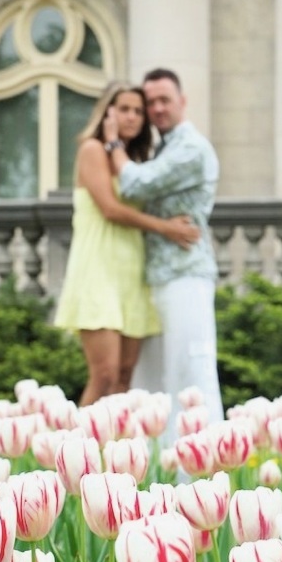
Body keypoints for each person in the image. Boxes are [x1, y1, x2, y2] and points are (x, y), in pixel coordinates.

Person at [54, 81, 200, 407]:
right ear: (107, 113)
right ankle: (75, 456)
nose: (132, 117)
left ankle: (115, 456)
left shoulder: (132, 161)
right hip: (97, 273)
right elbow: (110, 209)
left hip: (131, 276)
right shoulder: (92, 150)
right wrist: (166, 228)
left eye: (138, 111)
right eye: (124, 109)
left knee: (123, 378)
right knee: (103, 376)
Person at [103, 68, 225, 442]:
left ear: (182, 101)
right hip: (156, 280)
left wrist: (113, 145)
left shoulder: (191, 147)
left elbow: (138, 182)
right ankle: (161, 479)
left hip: (186, 276)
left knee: (192, 376)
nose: (156, 109)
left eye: (163, 100)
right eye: (150, 102)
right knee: (154, 384)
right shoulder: (164, 147)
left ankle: (202, 480)